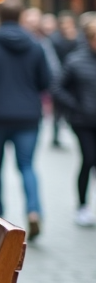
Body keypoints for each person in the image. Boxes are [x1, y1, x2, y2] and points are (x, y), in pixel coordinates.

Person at [0, 0, 51, 240]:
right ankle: (34, 210)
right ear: (21, 16)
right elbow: (46, 81)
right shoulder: (36, 45)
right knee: (27, 165)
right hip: (28, 114)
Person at [51, 20, 96, 227]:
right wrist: (76, 106)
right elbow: (58, 88)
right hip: (83, 121)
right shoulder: (76, 60)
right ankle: (82, 205)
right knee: (88, 159)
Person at [50, 12, 80, 147]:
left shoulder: (77, 39)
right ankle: (56, 134)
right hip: (61, 76)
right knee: (58, 109)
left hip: (75, 77)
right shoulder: (55, 39)